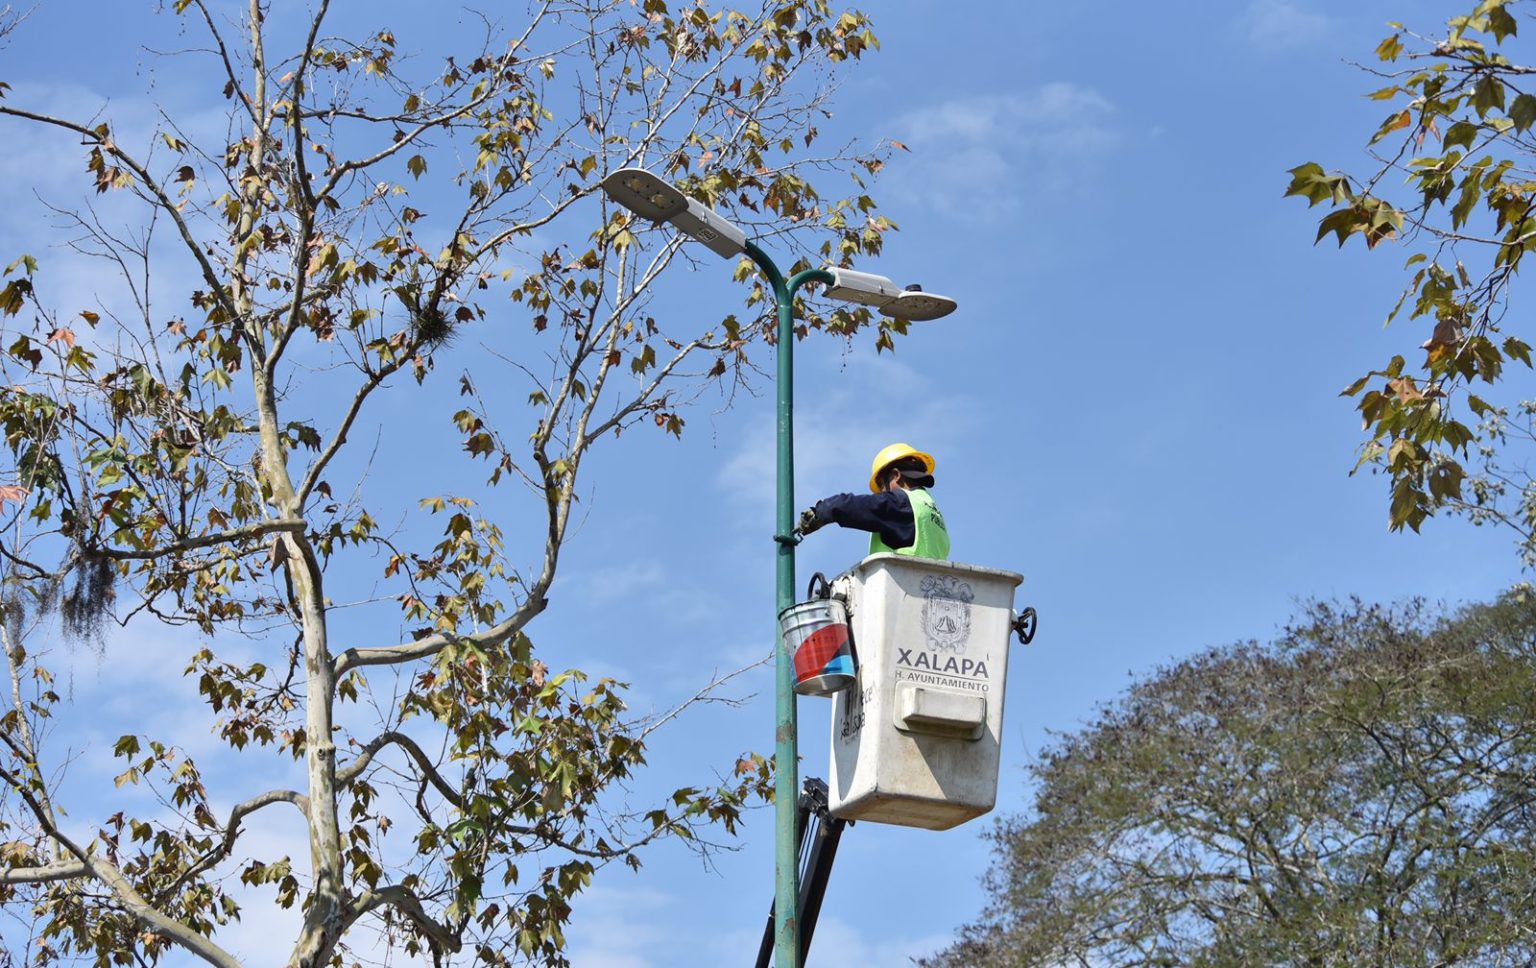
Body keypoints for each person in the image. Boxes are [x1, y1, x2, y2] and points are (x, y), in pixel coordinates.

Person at [796, 442, 950, 559]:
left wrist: (820, 512)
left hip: (896, 588)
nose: (882, 493)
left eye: (882, 485)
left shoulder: (900, 503)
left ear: (896, 475)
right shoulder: (930, 510)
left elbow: (852, 505)